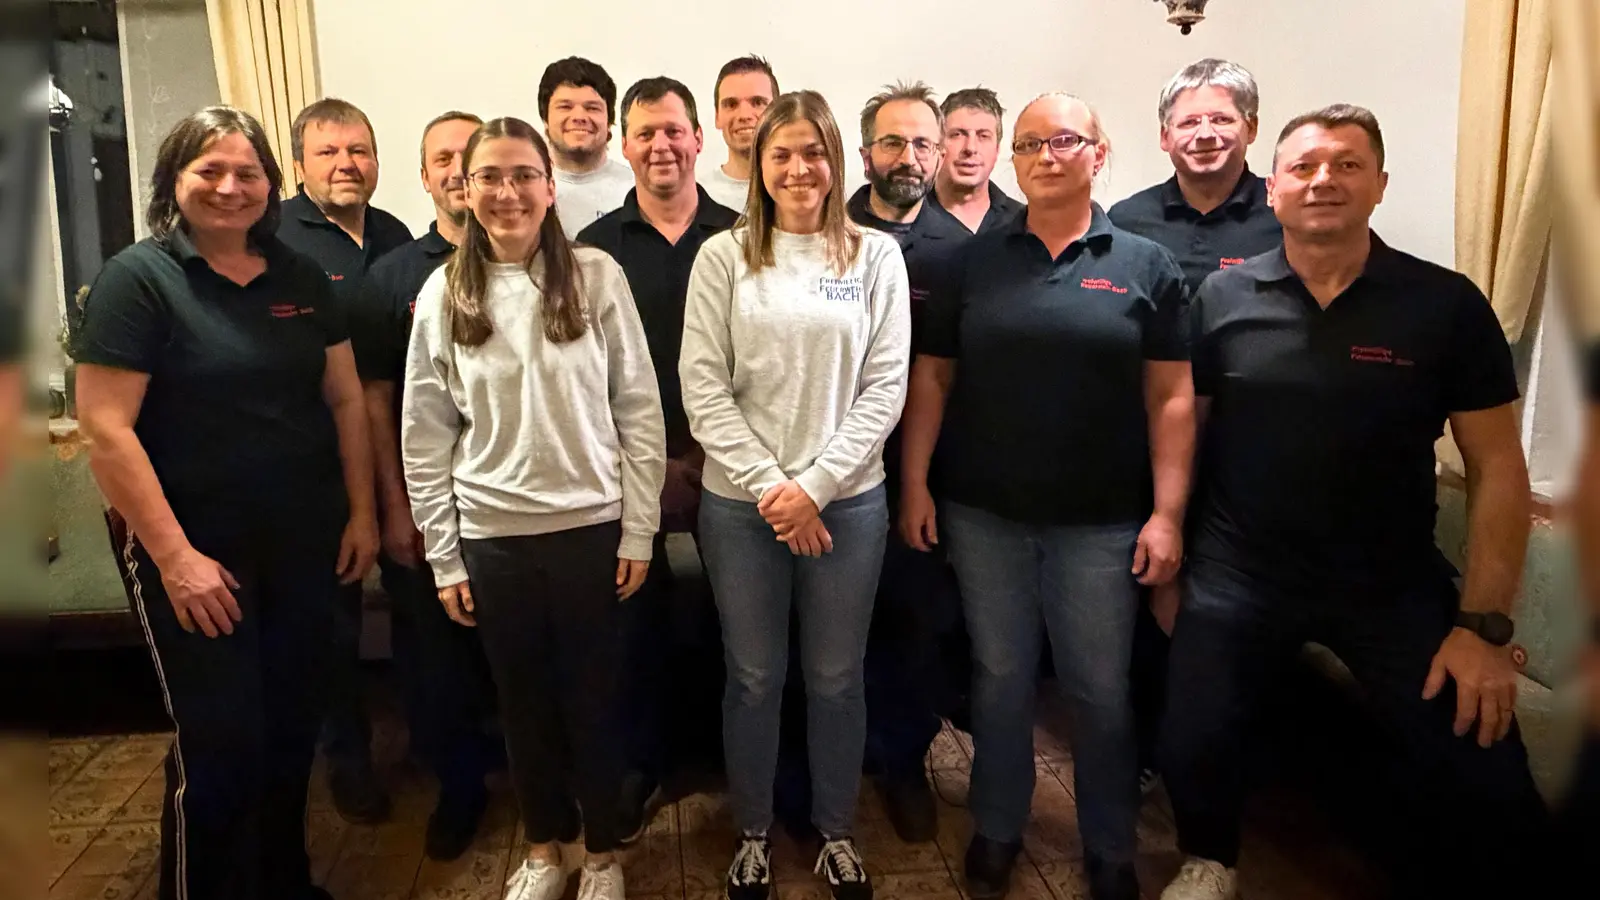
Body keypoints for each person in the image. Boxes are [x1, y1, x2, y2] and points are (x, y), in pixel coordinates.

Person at [1158, 105, 1552, 900]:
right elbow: (1186, 434)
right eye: (1303, 167)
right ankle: (1210, 859)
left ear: (1379, 185)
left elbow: (1497, 468)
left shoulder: (1444, 305)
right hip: (1241, 572)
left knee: (1482, 753)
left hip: (1390, 582)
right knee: (1193, 727)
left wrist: (1482, 628)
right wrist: (1174, 551)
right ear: (1274, 190)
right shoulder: (1222, 300)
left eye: (1344, 164)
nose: (1322, 180)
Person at [73, 105, 378, 900]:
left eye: (248, 172)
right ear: (174, 181)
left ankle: (285, 885)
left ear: (273, 185)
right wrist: (176, 560)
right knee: (221, 748)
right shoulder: (138, 280)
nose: (231, 187)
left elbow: (344, 401)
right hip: (197, 554)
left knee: (288, 735)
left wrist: (362, 513)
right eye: (209, 170)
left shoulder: (300, 277)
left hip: (302, 544)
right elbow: (106, 430)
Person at [900, 93, 1193, 900]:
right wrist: (916, 482)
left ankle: (1108, 844)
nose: (1046, 154)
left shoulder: (1146, 266)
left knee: (1099, 688)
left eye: (1065, 140)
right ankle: (999, 824)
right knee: (999, 678)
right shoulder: (974, 262)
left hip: (1101, 523)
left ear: (1099, 154)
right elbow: (934, 376)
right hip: (983, 513)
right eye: (1030, 143)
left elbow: (1171, 397)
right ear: (1013, 160)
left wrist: (1168, 513)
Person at [401, 116, 665, 900]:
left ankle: (606, 856)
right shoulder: (444, 290)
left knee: (594, 703)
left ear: (550, 188)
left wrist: (641, 529)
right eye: (490, 176)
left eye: (523, 174)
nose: (507, 191)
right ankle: (549, 848)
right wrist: (444, 553)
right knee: (522, 708)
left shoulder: (597, 276)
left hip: (592, 530)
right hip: (494, 537)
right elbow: (425, 435)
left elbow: (639, 410)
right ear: (466, 188)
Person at [680, 89, 910, 900]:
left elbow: (886, 388)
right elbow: (702, 388)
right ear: (758, 165)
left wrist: (814, 487)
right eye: (782, 153)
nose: (799, 167)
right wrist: (777, 489)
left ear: (835, 159)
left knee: (837, 677)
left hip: (848, 504)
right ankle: (752, 832)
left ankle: (837, 831)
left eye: (813, 152)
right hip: (743, 509)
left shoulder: (875, 256)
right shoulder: (724, 256)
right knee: (753, 677)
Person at [1106, 58, 1283, 797]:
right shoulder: (1127, 220)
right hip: (1147, 451)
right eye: (1189, 121)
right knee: (1146, 606)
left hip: (1253, 457)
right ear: (1164, 135)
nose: (1205, 133)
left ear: (1249, 127)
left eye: (1221, 118)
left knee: (1230, 622)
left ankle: (1229, 768)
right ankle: (1145, 754)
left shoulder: (1287, 213)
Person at [577, 76, 739, 837]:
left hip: (731, 465)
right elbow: (583, 371)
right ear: (624, 144)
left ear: (698, 138)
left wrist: (711, 457)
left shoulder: (747, 236)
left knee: (737, 622)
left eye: (674, 130)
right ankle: (643, 763)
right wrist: (646, 462)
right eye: (644, 133)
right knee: (628, 629)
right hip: (625, 469)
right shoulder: (593, 250)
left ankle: (729, 760)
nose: (661, 145)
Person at [347, 109, 502, 861]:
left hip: (512, 512)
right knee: (436, 667)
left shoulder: (540, 264)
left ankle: (539, 786)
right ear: (427, 174)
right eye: (442, 157)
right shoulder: (395, 277)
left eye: (467, 156)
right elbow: (374, 401)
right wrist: (395, 508)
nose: (456, 169)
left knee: (521, 658)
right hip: (427, 509)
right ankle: (461, 789)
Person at [275, 96, 413, 826]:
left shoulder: (395, 236)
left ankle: (425, 740)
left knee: (416, 604)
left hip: (394, 450)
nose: (346, 164)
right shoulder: (274, 238)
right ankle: (348, 760)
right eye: (328, 152)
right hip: (317, 466)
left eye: (358, 150)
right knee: (332, 625)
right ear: (299, 165)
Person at [847, 81, 974, 843]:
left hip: (918, 477)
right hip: (827, 475)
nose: (909, 156)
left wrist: (926, 482)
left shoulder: (962, 254)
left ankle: (902, 765)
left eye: (923, 143)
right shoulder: (823, 230)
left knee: (914, 627)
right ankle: (829, 760)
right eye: (892, 142)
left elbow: (952, 375)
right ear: (866, 153)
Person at [538, 57, 636, 238]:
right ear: (545, 119)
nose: (579, 117)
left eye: (592, 108)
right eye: (565, 107)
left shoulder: (636, 191)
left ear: (610, 121)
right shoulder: (528, 189)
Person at [927, 88, 1022, 234]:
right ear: (938, 145)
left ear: (997, 149)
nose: (970, 148)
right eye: (957, 135)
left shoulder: (1025, 223)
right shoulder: (907, 219)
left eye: (983, 136)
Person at [703, 55, 779, 211]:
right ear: (717, 116)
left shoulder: (801, 190)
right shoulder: (699, 197)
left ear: (778, 112)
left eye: (757, 102)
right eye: (731, 104)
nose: (744, 115)